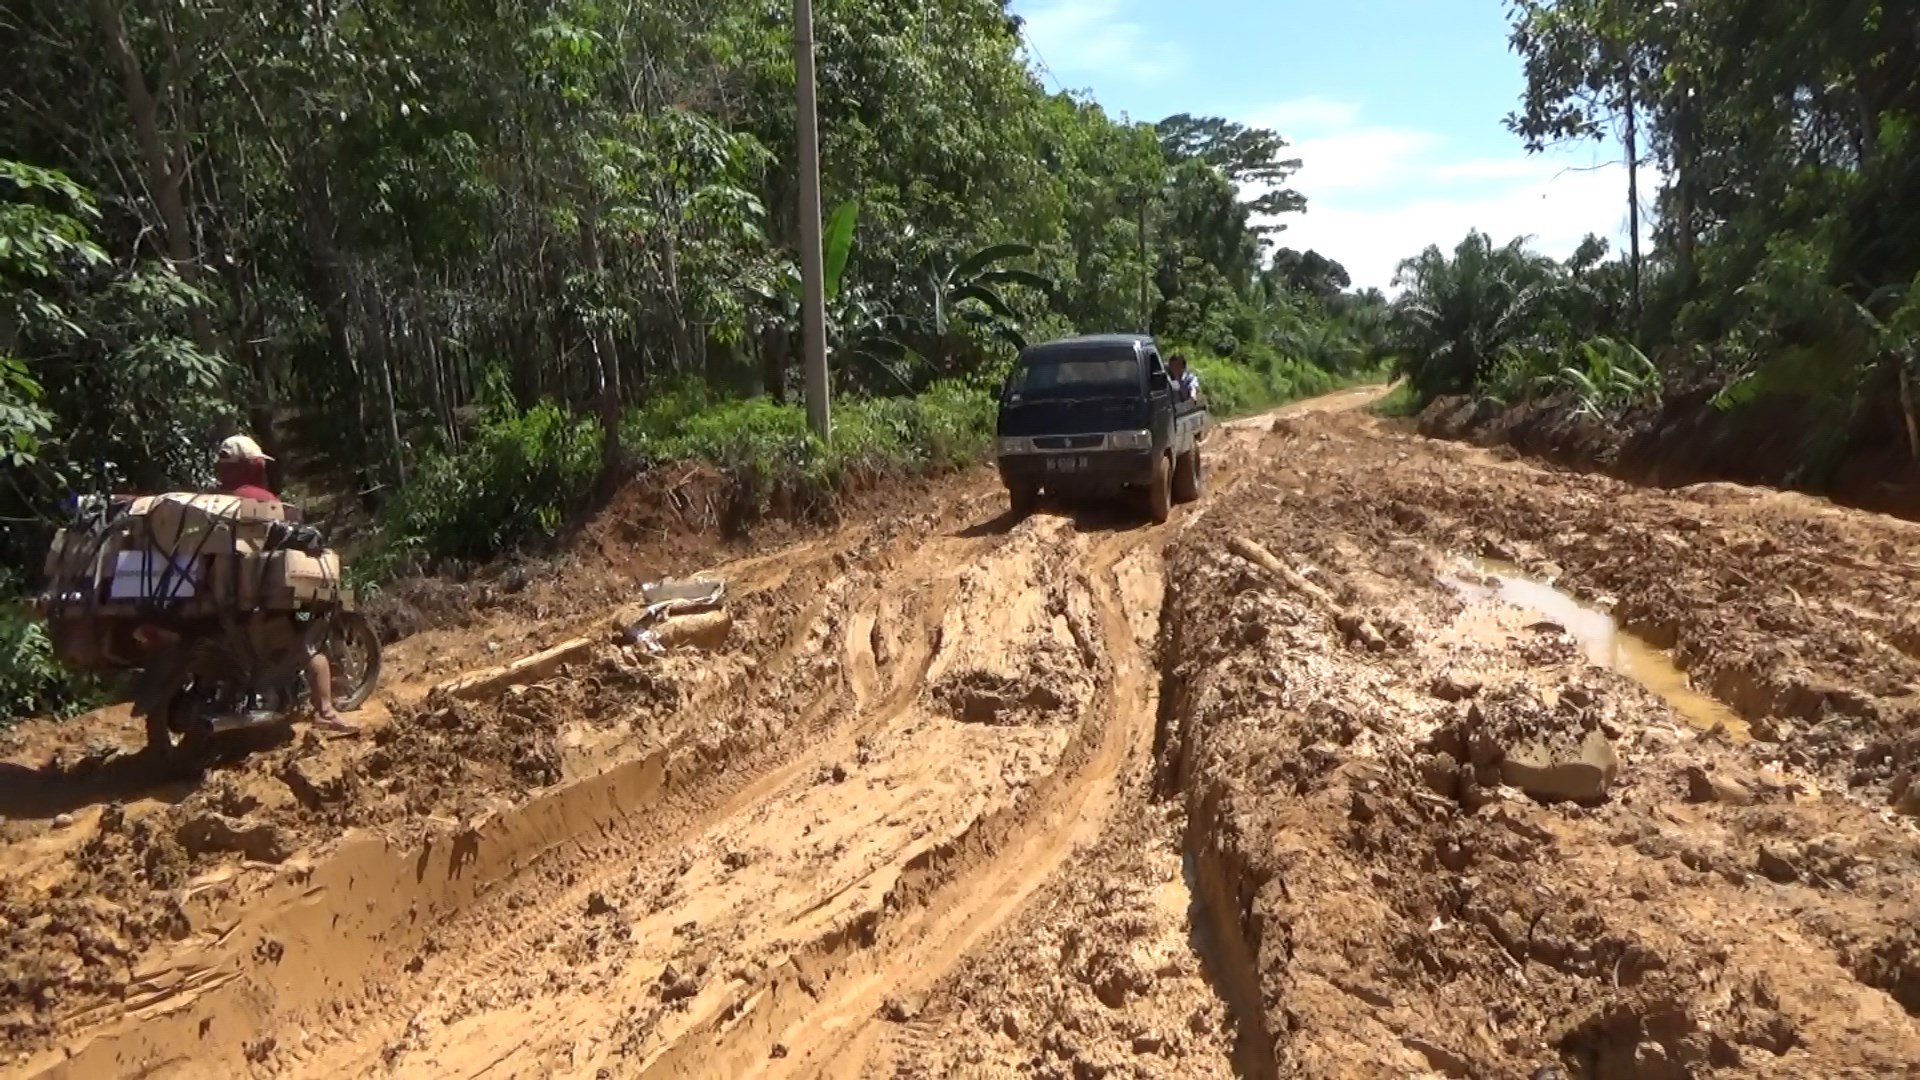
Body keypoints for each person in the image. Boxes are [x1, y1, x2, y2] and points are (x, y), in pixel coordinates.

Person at [213, 434, 356, 732]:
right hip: (258, 602)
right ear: (253, 466)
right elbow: (280, 534)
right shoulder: (259, 500)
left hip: (214, 601)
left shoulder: (211, 503)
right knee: (308, 631)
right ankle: (325, 711)